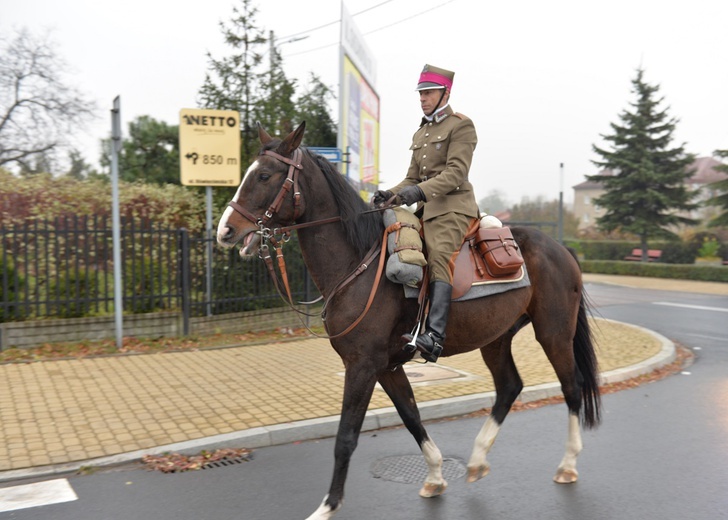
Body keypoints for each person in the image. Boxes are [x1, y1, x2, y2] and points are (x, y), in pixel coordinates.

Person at [373, 64, 480, 363]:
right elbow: (411, 177)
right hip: (424, 208)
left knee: (438, 254)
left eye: (429, 92)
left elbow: (456, 173)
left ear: (446, 92)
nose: (423, 98)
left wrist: (417, 193)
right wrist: (391, 195)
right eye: (420, 93)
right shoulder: (422, 131)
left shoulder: (461, 125)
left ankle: (434, 335)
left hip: (453, 207)